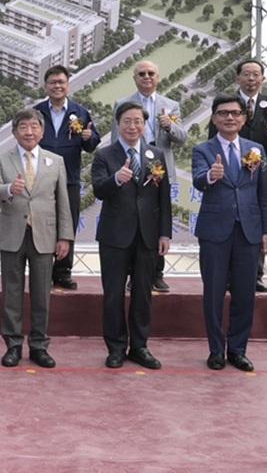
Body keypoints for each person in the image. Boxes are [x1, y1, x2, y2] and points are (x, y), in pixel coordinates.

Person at [192, 96, 267, 372]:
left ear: (244, 118)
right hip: (215, 231)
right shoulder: (203, 149)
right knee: (213, 293)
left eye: (235, 113)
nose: (230, 118)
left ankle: (238, 349)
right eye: (223, 113)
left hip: (249, 231)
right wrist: (212, 176)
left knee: (245, 293)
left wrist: (266, 230)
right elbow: (198, 180)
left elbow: (264, 193)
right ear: (214, 118)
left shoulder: (256, 149)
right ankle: (216, 349)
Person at [0, 109, 73, 369]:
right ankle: (13, 345)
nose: (29, 132)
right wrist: (7, 190)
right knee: (11, 294)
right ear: (14, 132)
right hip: (13, 233)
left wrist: (65, 236)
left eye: (34, 127)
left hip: (44, 236)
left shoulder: (55, 161)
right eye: (23, 127)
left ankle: (39, 345)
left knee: (41, 295)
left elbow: (62, 202)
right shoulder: (1, 159)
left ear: (42, 131)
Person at [91, 102, 171, 370]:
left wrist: (165, 234)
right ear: (118, 124)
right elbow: (99, 190)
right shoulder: (105, 155)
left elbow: (163, 199)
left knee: (142, 294)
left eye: (138, 121)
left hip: (147, 236)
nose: (133, 126)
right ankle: (115, 348)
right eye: (127, 121)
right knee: (113, 294)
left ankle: (140, 347)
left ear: (145, 124)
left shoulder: (155, 155)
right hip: (115, 236)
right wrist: (117, 178)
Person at [207, 58, 267, 293]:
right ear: (237, 78)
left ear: (263, 79)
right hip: (230, 173)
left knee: (259, 225)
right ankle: (226, 275)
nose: (251, 79)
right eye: (246, 74)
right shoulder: (227, 103)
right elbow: (211, 138)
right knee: (230, 224)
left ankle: (255, 275)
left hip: (262, 174)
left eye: (256, 75)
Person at [117, 59, 183, 293]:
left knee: (157, 218)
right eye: (141, 74)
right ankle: (132, 274)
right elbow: (117, 139)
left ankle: (156, 273)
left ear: (158, 77)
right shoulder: (122, 103)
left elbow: (181, 138)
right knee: (132, 219)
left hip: (159, 165)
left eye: (151, 73)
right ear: (134, 78)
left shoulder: (171, 105)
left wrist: (168, 126)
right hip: (133, 165)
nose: (147, 77)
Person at [33, 65, 100, 290]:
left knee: (66, 224)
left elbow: (91, 145)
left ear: (68, 85)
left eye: (61, 82)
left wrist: (89, 137)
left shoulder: (79, 112)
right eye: (53, 82)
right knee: (41, 224)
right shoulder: (37, 111)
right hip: (40, 178)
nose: (57, 86)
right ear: (46, 86)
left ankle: (63, 271)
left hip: (69, 178)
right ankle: (40, 270)